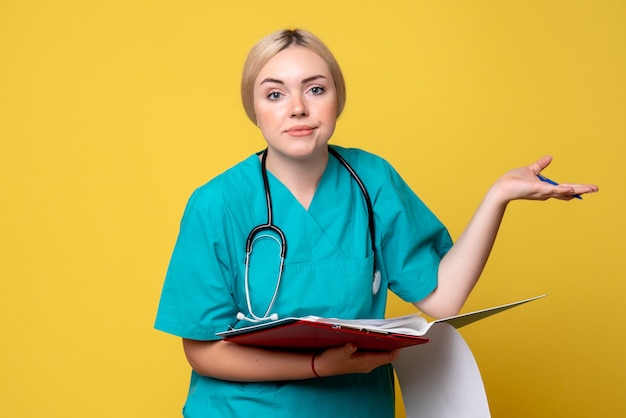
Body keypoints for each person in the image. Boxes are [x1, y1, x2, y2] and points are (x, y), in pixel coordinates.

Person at [154, 28, 598, 418]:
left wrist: (498, 196)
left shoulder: (372, 181)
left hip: (356, 406)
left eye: (315, 89)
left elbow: (443, 299)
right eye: (275, 93)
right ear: (253, 109)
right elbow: (201, 351)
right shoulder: (216, 204)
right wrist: (318, 366)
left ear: (337, 99)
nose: (297, 108)